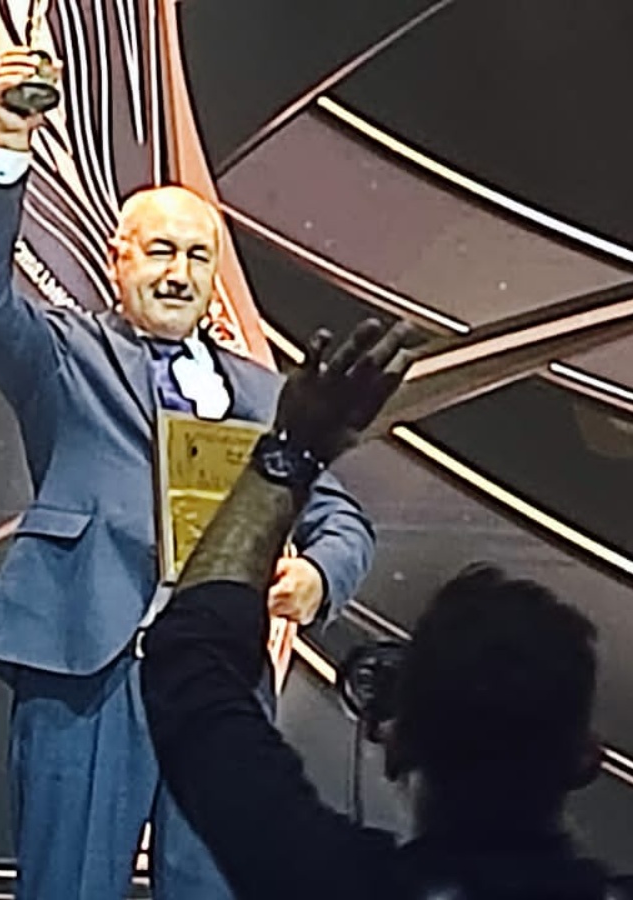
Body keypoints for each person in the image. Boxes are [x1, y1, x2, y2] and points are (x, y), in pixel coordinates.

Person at [0, 49, 377, 899]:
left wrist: (318, 577)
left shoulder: (264, 393)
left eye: (197, 257)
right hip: (90, 665)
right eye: (160, 253)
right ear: (119, 261)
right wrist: (9, 151)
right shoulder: (65, 355)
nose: (178, 274)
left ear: (215, 275)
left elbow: (341, 516)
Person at [141, 318, 631, 900]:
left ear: (395, 738)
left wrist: (293, 449)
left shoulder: (322, 880)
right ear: (584, 757)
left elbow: (191, 659)